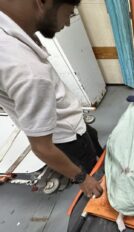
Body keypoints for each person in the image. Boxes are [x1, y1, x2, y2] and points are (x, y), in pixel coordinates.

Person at [0, 0, 103, 198]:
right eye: (70, 13)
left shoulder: (10, 27)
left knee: (94, 138)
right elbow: (42, 147)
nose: (67, 23)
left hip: (70, 122)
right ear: (43, 2)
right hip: (67, 134)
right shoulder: (28, 71)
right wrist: (82, 178)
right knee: (94, 171)